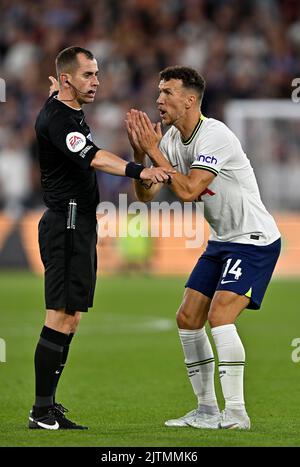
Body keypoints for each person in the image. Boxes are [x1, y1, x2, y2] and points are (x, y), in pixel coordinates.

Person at [126, 66, 281, 430]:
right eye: (158, 92)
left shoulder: (216, 136)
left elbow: (189, 190)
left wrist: (152, 150)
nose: (159, 99)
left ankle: (238, 413)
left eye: (167, 92)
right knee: (187, 318)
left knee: (220, 316)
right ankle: (207, 409)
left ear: (190, 99)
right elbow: (147, 195)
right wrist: (141, 154)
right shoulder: (167, 143)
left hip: (253, 239)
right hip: (222, 240)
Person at [29, 46, 174, 430]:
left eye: (96, 73)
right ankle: (41, 410)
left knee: (71, 317)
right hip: (67, 224)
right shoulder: (59, 118)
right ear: (66, 79)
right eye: (88, 75)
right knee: (59, 316)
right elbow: (93, 157)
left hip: (79, 223)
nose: (96, 81)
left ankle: (47, 407)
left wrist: (56, 94)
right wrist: (137, 171)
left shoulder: (64, 109)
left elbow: (64, 121)